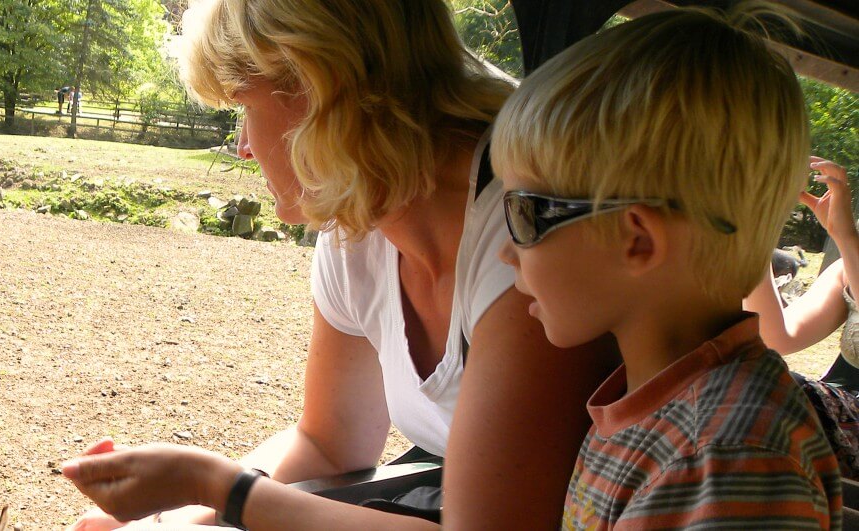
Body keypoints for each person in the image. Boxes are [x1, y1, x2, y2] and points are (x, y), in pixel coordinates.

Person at [62, 0, 617, 529]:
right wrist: (177, 518)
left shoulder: (526, 235)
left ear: (317, 91)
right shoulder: (357, 219)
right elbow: (329, 443)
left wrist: (217, 487)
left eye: (244, 109)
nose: (243, 148)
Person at [493, 8, 839, 528]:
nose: (505, 250)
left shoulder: (721, 456)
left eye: (522, 213)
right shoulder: (661, 407)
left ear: (637, 239)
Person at [746, 158, 859, 389]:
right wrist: (755, 229)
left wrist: (846, 237)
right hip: (831, 411)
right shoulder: (846, 269)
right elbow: (775, 338)